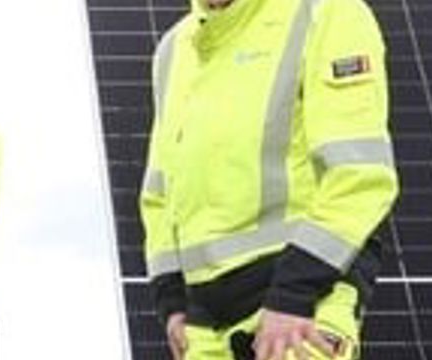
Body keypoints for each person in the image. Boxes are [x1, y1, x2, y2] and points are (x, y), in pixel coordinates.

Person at [138, 0, 396, 359]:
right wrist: (171, 302)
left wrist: (293, 295)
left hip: (303, 301)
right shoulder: (174, 47)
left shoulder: (325, 12)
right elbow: (159, 190)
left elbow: (359, 176)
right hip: (204, 321)